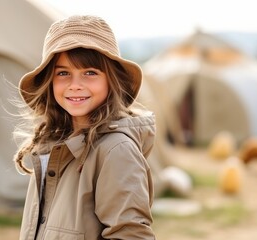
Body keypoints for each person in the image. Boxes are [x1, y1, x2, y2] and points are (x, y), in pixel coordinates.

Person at [14, 15, 156, 239]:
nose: (75, 85)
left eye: (90, 73)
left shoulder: (115, 150)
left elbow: (130, 234)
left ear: (111, 80)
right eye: (63, 73)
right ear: (49, 81)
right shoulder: (50, 146)